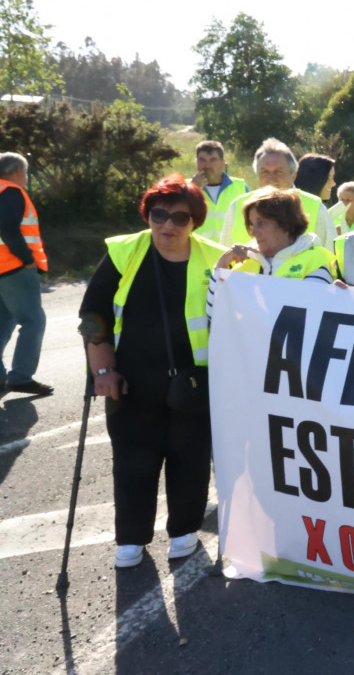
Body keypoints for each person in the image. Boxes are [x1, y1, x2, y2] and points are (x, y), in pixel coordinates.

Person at [79, 174, 226, 568]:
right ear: (148, 215)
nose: (168, 225)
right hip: (131, 381)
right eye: (159, 215)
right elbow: (92, 314)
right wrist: (103, 370)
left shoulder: (217, 258)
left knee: (190, 458)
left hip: (195, 383)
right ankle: (130, 538)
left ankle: (184, 530)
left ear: (194, 222)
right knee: (132, 460)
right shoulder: (125, 251)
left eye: (180, 218)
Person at [220, 139, 336, 250]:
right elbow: (223, 258)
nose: (271, 178)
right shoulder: (237, 206)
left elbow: (331, 262)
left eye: (279, 172)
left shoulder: (315, 208)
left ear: (293, 175)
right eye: (264, 172)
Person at [0, 152, 50, 395]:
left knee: (2, 323)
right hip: (15, 268)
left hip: (3, 270)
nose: (26, 178)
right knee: (33, 320)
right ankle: (20, 377)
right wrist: (27, 259)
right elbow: (8, 228)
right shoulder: (11, 191)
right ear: (17, 172)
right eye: (26, 172)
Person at [213, 188, 335, 282]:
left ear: (286, 224)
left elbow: (312, 309)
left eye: (261, 223)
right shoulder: (243, 262)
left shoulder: (315, 261)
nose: (253, 233)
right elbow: (215, 310)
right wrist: (220, 268)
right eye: (252, 224)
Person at [191, 140, 249, 243]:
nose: (207, 166)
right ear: (196, 162)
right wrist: (193, 190)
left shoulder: (241, 187)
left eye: (213, 160)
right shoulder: (185, 188)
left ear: (223, 163)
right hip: (199, 256)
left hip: (233, 256)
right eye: (202, 160)